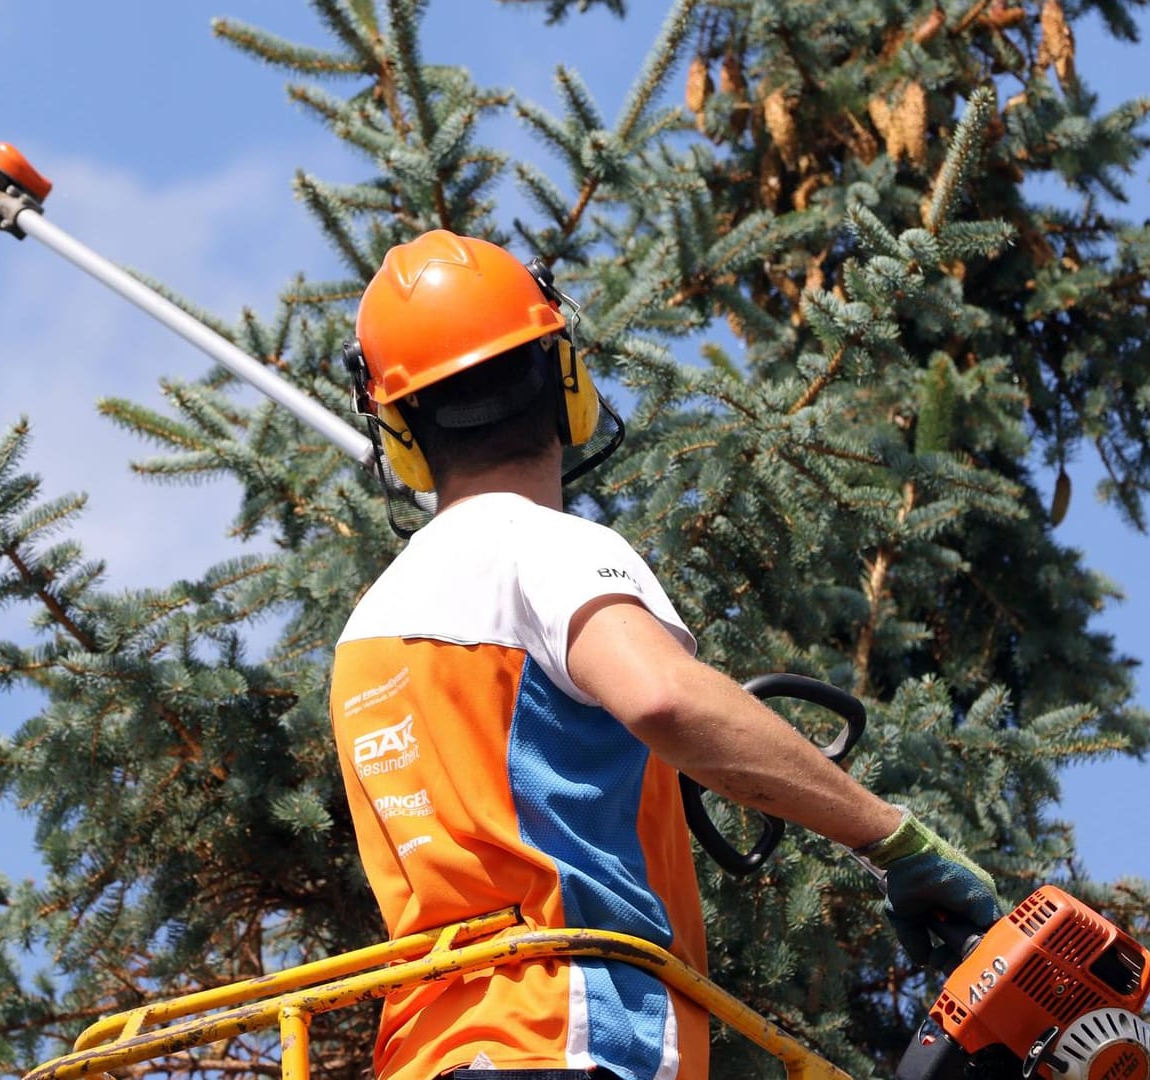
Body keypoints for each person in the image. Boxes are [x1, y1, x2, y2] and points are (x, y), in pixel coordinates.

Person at [331, 229, 1001, 1080]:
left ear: (399, 431)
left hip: (432, 1056)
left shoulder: (368, 632)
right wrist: (893, 843)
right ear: (564, 379)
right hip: (571, 1037)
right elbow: (663, 699)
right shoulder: (547, 548)